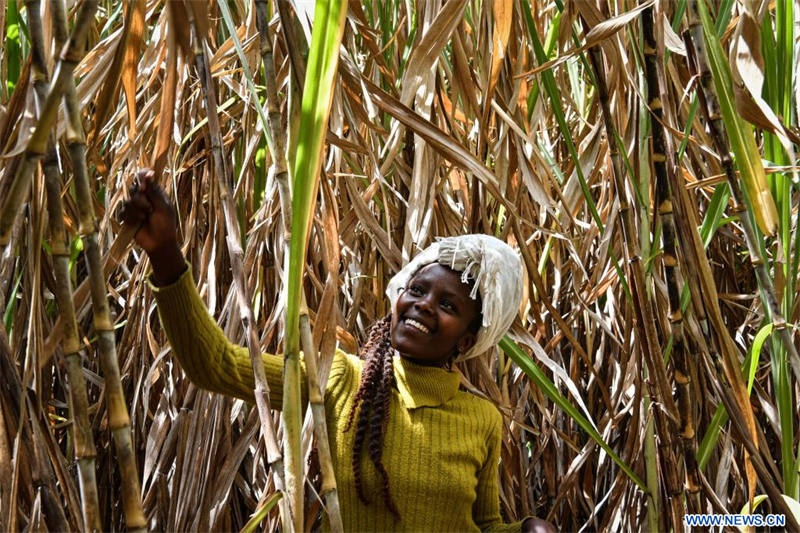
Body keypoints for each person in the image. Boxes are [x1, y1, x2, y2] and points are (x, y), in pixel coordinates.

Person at [121, 170, 557, 533]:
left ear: (466, 341)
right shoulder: (338, 378)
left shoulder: (481, 420)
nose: (424, 305)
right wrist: (164, 253)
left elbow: (483, 525)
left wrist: (526, 530)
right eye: (418, 290)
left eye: (447, 306)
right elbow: (215, 365)